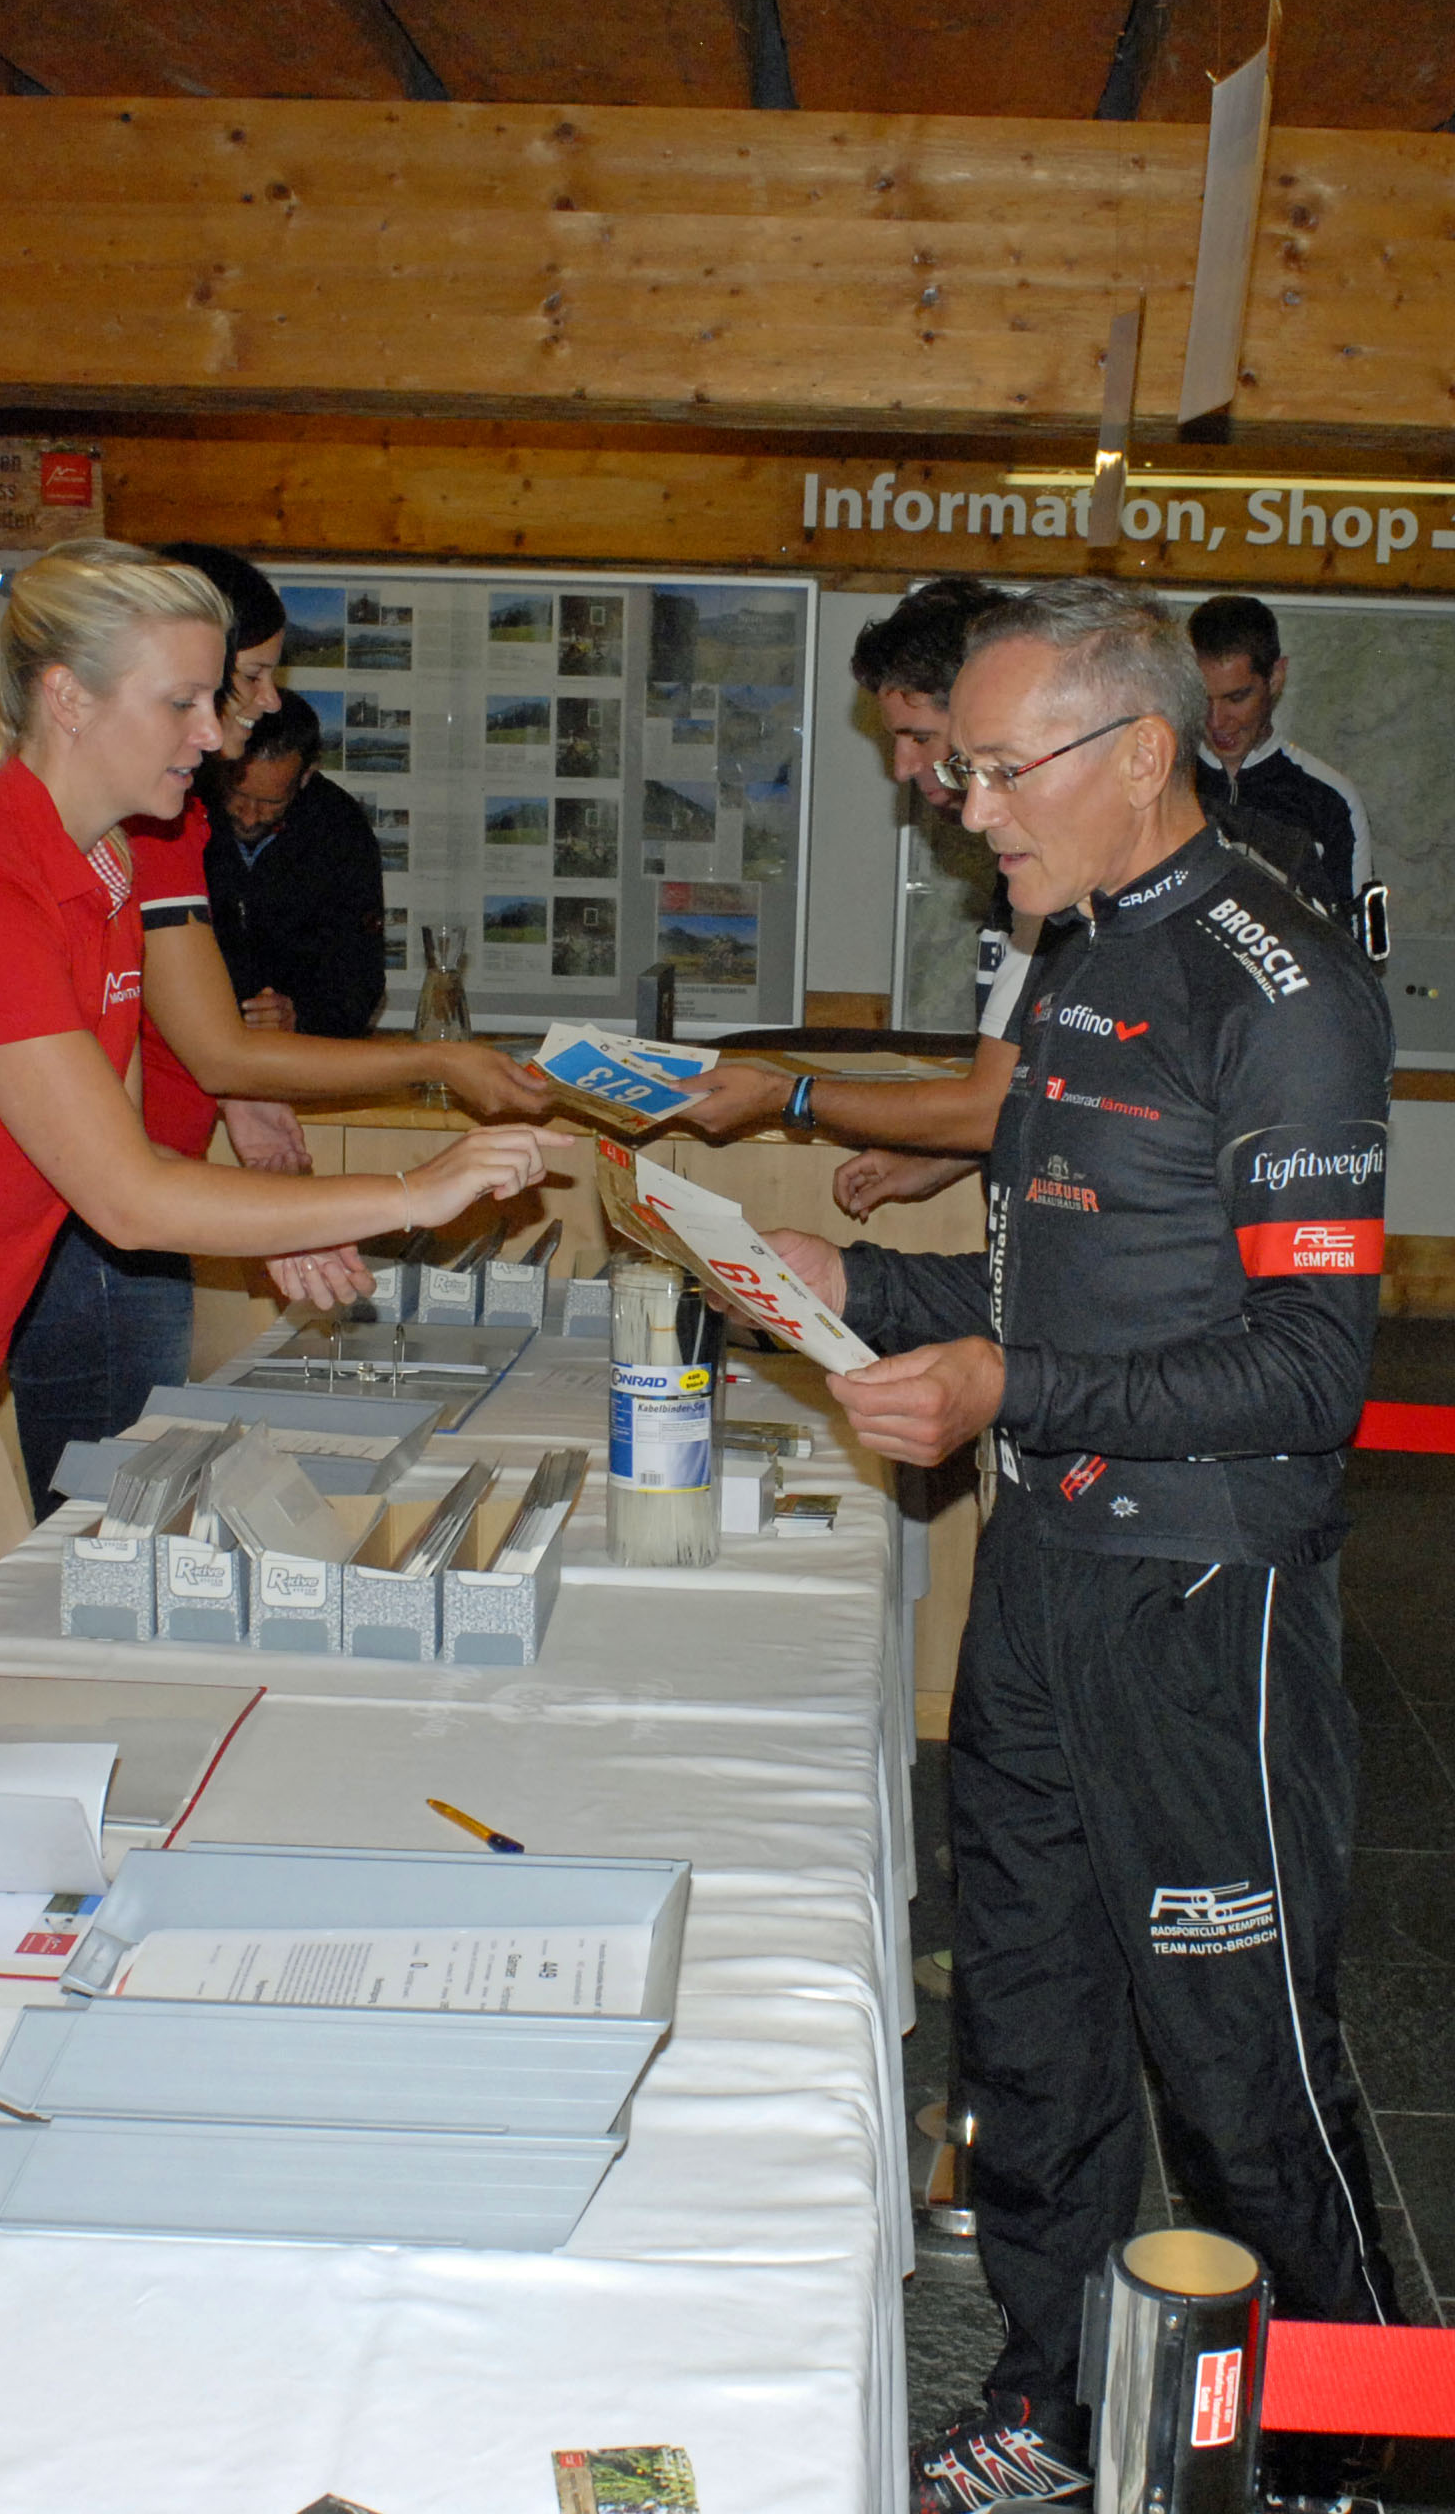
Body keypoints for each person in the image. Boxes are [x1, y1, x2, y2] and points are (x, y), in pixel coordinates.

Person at [760, 581, 1397, 2513]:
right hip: (1037, 1572)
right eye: (952, 768)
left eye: (993, 768)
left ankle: (1346, 2450)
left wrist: (1001, 1381)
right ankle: (1047, 2395)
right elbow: (1055, 1292)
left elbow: (1307, 1366)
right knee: (1026, 2021)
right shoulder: (1071, 950)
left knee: (1238, 2068)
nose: (961, 807)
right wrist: (848, 1278)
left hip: (1199, 1600)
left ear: (1134, 752)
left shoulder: (1282, 988)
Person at [0, 539, 555, 1675]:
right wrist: (411, 1192)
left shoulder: (109, 870)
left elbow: (117, 1156)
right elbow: (128, 1200)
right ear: (67, 698)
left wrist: (286, 1219)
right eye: (182, 702)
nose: (215, 735)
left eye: (214, 700)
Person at [9, 543, 547, 1505]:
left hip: (137, 1205)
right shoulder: (72, 850)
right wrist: (409, 1167)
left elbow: (158, 1067)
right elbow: (197, 1074)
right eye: (229, 684)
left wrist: (247, 1117)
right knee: (101, 1515)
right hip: (74, 1240)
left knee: (121, 1509)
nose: (248, 712)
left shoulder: (134, 842)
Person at [674, 578, 1025, 1217]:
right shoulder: (1018, 875)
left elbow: (991, 1106)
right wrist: (943, 1158)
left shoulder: (1063, 882)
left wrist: (788, 1096)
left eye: (920, 737)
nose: (902, 768)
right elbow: (1044, 1095)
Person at [201, 690, 387, 1041]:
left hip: (297, 1049)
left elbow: (360, 976)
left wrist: (301, 1016)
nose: (249, 816)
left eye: (270, 802)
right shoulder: (183, 811)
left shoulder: (340, 829)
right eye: (238, 795)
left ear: (305, 776)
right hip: (191, 1038)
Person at [1190, 592, 1374, 923]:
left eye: (1237, 698)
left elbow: (1353, 943)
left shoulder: (1330, 799)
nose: (1216, 720)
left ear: (1275, 678)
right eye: (1203, 698)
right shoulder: (1162, 779)